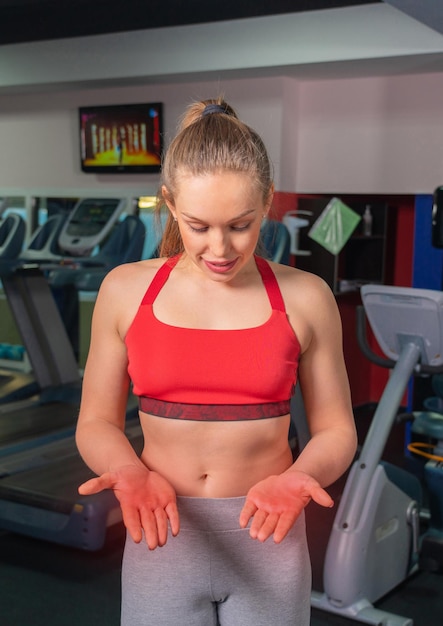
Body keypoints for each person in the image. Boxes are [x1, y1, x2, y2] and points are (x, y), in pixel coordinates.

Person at [76, 97, 357, 626]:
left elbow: (337, 430)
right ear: (169, 203)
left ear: (267, 203)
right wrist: (127, 470)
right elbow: (94, 422)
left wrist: (302, 474)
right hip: (162, 530)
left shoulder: (306, 296)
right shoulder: (124, 290)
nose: (220, 248)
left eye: (241, 225)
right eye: (198, 226)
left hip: (268, 532)